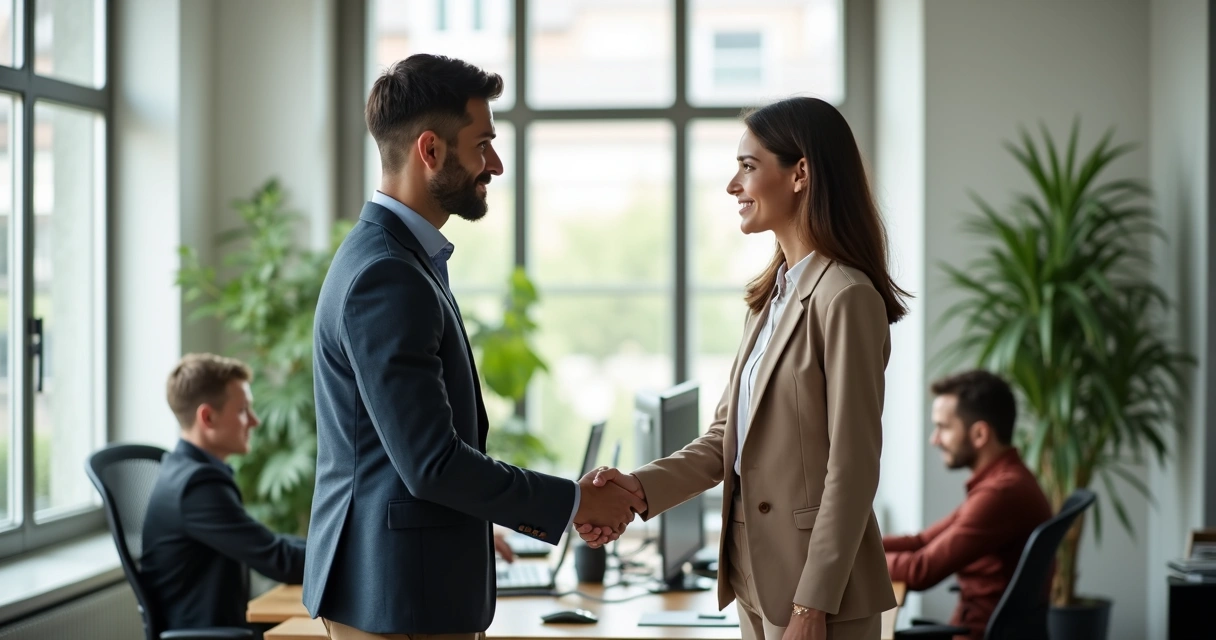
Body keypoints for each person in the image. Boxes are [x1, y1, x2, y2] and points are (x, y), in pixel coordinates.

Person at [304, 53, 643, 640]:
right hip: (401, 598)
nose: (496, 164)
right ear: (430, 150)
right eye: (482, 144)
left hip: (406, 589)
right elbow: (432, 464)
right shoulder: (388, 275)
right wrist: (573, 503)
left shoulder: (397, 258)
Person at [587, 96, 909, 640]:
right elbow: (724, 440)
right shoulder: (769, 300)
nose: (733, 185)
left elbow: (852, 468)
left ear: (800, 173)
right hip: (753, 578)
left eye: (748, 166)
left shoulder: (845, 297)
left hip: (817, 594)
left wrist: (811, 605)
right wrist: (638, 488)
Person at [142, 353, 307, 631]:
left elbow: (269, 543)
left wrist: (332, 548)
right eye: (243, 410)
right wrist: (353, 557)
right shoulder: (197, 487)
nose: (254, 421)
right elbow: (279, 560)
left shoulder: (185, 470)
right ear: (207, 417)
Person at [883, 370, 1053, 640]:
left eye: (943, 427)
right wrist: (854, 547)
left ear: (980, 434)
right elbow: (922, 541)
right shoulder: (1003, 481)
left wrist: (852, 561)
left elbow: (920, 570)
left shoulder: (1001, 494)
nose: (935, 439)